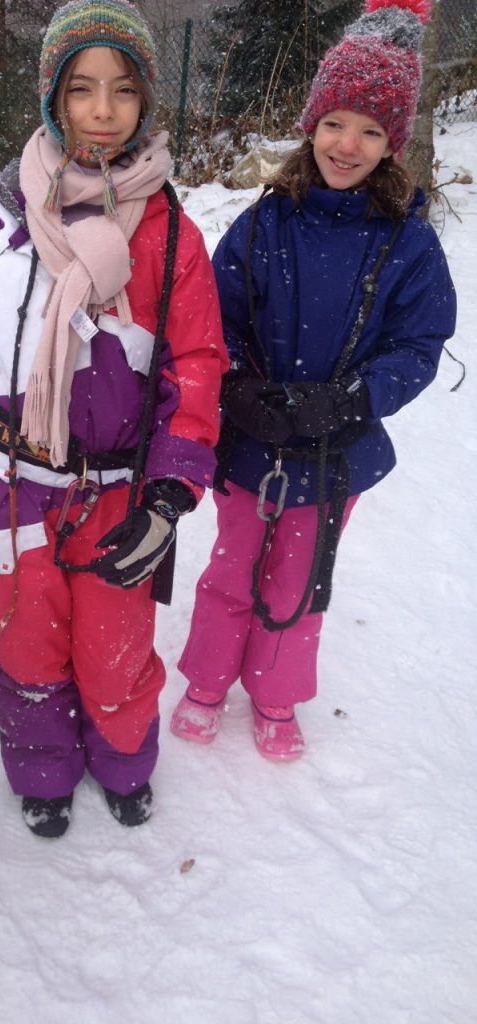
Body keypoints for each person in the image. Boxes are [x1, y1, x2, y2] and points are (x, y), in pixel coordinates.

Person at [0, 0, 226, 836]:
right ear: (54, 98)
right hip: (7, 488)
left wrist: (169, 496)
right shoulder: (1, 224)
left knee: (115, 652)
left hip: (118, 491)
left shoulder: (169, 235)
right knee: (24, 649)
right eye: (82, 88)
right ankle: (43, 767)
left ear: (145, 101)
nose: (103, 109)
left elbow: (196, 369)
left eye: (123, 89)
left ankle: (123, 761)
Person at [170, 0, 456, 761]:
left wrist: (353, 398)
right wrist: (236, 388)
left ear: (392, 144)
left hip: (336, 451)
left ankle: (275, 694)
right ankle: (207, 681)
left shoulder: (408, 242)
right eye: (335, 122)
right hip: (252, 441)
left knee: (298, 582)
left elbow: (419, 343)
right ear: (311, 124)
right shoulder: (264, 224)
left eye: (371, 130)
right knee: (232, 569)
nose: (347, 144)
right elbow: (213, 320)